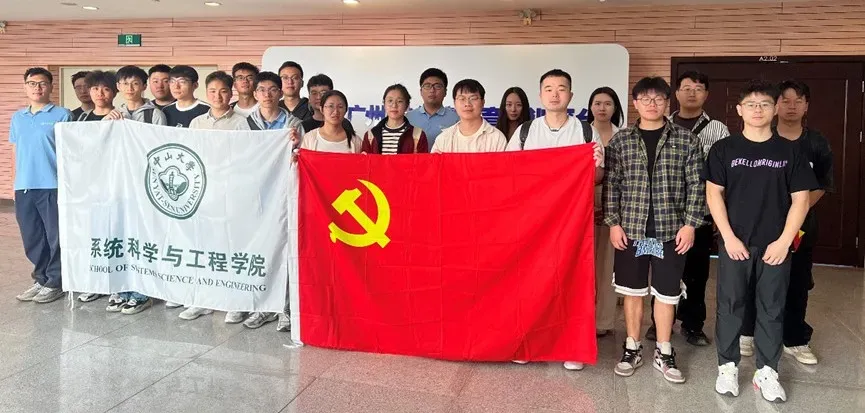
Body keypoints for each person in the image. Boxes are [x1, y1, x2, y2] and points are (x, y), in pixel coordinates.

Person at [706, 80, 816, 402]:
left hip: (775, 246)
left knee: (772, 307)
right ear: (739, 110)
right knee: (730, 305)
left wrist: (784, 241)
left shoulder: (790, 151)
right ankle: (727, 366)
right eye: (751, 104)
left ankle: (767, 371)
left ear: (775, 109)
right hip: (734, 243)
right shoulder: (724, 149)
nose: (758, 109)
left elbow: (801, 200)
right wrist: (728, 237)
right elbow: (713, 194)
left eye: (765, 104)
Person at [604, 76, 703, 384]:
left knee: (667, 293)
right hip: (632, 229)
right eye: (645, 99)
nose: (652, 104)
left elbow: (696, 185)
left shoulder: (686, 140)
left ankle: (664, 350)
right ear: (635, 103)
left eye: (658, 99)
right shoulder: (621, 141)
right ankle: (632, 347)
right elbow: (612, 185)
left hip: (670, 230)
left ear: (667, 102)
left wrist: (690, 224)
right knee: (632, 291)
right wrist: (613, 223)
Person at [505, 69, 605, 372]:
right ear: (540, 96)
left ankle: (571, 346)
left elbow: (598, 175)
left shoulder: (586, 132)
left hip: (572, 221)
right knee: (529, 281)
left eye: (561, 88)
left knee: (572, 281)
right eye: (548, 88)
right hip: (531, 222)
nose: (555, 94)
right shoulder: (525, 132)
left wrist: (590, 169)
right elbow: (508, 171)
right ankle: (527, 343)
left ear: (570, 96)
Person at [739, 80, 833, 367]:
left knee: (797, 281)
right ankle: (747, 332)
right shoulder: (759, 138)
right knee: (752, 278)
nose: (792, 106)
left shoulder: (816, 143)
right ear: (775, 105)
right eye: (785, 100)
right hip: (758, 225)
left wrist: (794, 213)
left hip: (801, 228)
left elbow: (821, 185)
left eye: (798, 101)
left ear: (806, 106)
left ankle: (794, 339)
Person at [645, 71, 730, 346]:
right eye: (686, 88)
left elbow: (723, 174)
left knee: (697, 273)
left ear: (706, 94)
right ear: (676, 94)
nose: (692, 93)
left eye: (698, 88)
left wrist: (719, 213)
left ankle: (693, 325)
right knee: (662, 270)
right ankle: (659, 323)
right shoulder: (662, 123)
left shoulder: (718, 130)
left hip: (700, 213)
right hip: (663, 213)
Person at [244, 70, 303, 332]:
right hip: (257, 198)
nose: (267, 95)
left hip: (285, 196)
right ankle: (262, 307)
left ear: (281, 92)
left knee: (285, 252)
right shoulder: (244, 124)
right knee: (260, 251)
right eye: (262, 90)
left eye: (272, 90)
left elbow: (302, 157)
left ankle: (286, 308)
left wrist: (296, 150)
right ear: (254, 93)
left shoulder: (293, 124)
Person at [11, 67, 72, 304]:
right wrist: (14, 184)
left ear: (51, 87)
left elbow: (69, 153)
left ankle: (55, 281)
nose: (37, 88)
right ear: (25, 86)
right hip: (24, 187)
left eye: (42, 83)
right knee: (32, 236)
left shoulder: (62, 114)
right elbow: (16, 151)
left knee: (55, 236)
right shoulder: (18, 117)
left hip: (52, 185)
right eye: (32, 83)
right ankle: (41, 278)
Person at [586, 86, 624, 338]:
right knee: (584, 263)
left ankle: (603, 320)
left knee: (607, 263)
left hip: (615, 201)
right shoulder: (580, 133)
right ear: (590, 106)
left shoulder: (624, 136)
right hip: (582, 200)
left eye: (607, 103)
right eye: (597, 103)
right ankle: (581, 317)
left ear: (615, 108)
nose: (602, 108)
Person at [430, 79, 506, 153]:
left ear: (483, 102)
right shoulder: (443, 139)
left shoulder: (497, 138)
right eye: (462, 99)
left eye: (473, 98)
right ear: (454, 103)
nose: (467, 104)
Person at [361, 84, 428, 154]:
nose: (394, 105)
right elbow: (365, 160)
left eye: (399, 101)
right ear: (384, 104)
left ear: (407, 105)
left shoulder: (418, 135)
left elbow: (423, 160)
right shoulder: (370, 135)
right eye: (390, 101)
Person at [406, 68, 460, 148]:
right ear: (421, 91)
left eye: (437, 86)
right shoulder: (408, 118)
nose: (432, 90)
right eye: (427, 86)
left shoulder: (456, 119)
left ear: (445, 92)